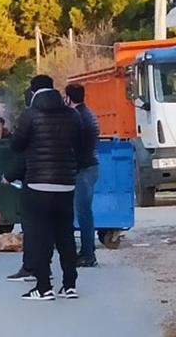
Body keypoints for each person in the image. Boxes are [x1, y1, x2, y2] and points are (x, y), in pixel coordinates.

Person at [11, 75, 83, 301]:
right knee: (65, 235)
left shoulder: (30, 115)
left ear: (33, 92)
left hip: (37, 184)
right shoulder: (72, 115)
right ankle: (69, 285)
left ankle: (43, 287)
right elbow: (80, 143)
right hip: (65, 184)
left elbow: (16, 145)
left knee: (40, 237)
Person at [66, 83, 101, 267]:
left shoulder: (77, 117)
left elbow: (75, 145)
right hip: (92, 166)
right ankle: (87, 251)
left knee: (83, 213)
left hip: (83, 169)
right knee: (85, 212)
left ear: (68, 98)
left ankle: (88, 254)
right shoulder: (89, 114)